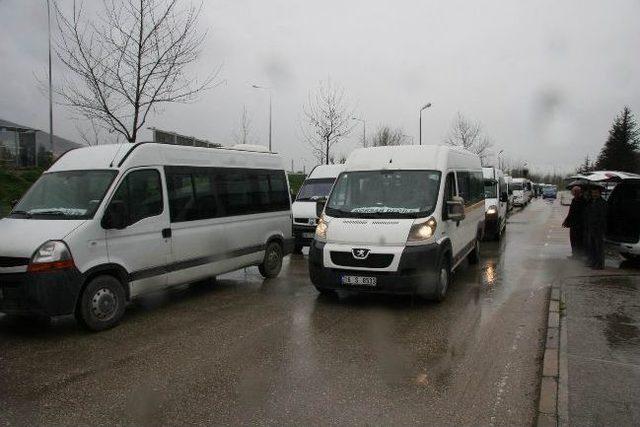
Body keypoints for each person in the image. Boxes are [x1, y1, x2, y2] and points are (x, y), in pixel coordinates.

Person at [584, 185, 607, 270]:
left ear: (599, 193)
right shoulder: (590, 202)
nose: (594, 194)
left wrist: (599, 226)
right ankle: (593, 262)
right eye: (593, 192)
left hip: (598, 229)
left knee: (599, 247)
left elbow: (603, 217)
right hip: (591, 228)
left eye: (596, 193)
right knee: (592, 246)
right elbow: (587, 214)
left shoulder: (602, 203)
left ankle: (599, 264)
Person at [562, 186, 586, 258]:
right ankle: (574, 254)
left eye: (576, 192)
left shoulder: (583, 201)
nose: (574, 193)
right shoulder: (573, 200)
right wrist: (566, 221)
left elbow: (584, 213)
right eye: (573, 192)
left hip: (580, 224)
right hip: (573, 224)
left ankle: (579, 255)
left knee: (579, 240)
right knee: (573, 239)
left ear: (579, 192)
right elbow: (570, 212)